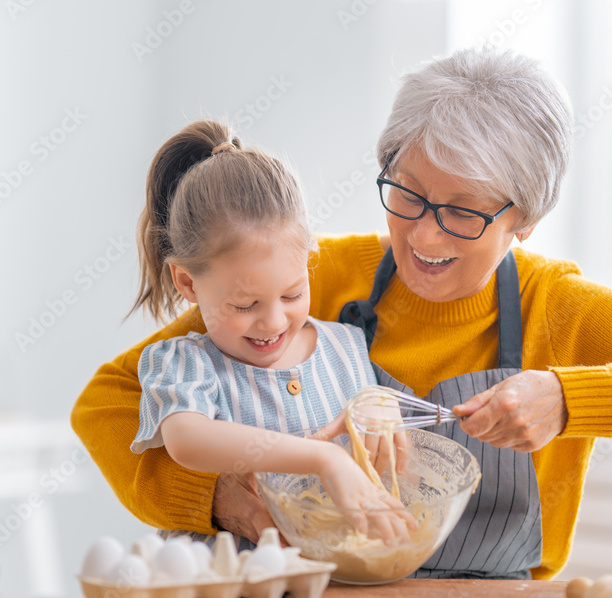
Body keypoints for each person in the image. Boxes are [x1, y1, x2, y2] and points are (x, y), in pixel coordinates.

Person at [72, 49, 612, 580]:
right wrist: (216, 499)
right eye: (406, 194)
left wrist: (571, 398)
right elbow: (106, 403)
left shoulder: (559, 311)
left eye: (464, 211)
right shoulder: (317, 278)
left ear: (525, 219)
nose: (424, 235)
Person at [124, 119, 411, 547]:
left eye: (293, 294)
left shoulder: (348, 347)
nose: (274, 322)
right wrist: (322, 459)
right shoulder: (184, 364)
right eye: (245, 305)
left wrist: (380, 406)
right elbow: (189, 440)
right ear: (187, 284)